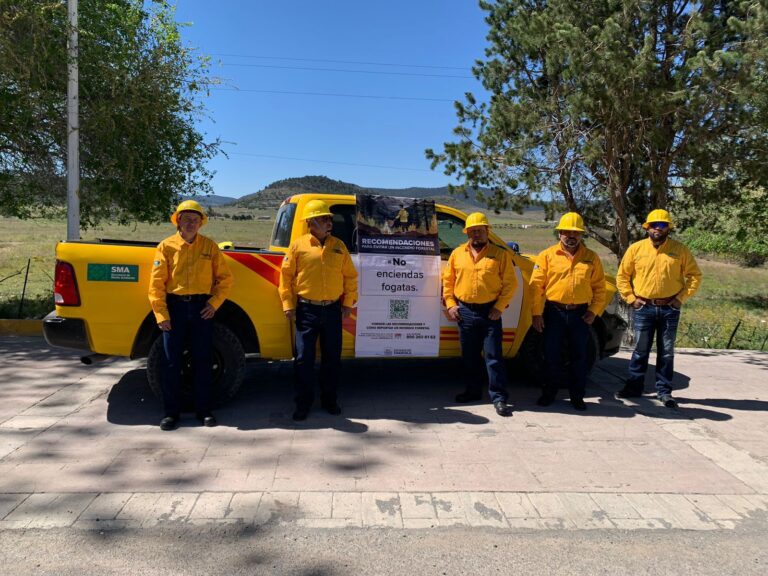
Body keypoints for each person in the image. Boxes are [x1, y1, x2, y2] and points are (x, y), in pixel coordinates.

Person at [148, 200, 233, 431]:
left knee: (203, 360)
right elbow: (156, 284)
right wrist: (161, 314)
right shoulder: (165, 247)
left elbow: (225, 280)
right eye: (186, 218)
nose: (191, 223)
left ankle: (204, 411)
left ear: (201, 223)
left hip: (200, 309)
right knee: (171, 362)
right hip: (173, 308)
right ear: (177, 220)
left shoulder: (210, 247)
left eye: (196, 219)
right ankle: (171, 414)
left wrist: (214, 304)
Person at [279, 199, 358, 421]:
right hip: (306, 311)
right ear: (311, 222)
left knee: (332, 358)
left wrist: (347, 302)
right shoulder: (297, 246)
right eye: (324, 219)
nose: (329, 222)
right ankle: (303, 404)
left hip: (332, 310)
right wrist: (288, 304)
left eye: (329, 219)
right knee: (304, 359)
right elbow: (285, 278)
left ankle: (329, 401)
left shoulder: (339, 246)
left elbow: (350, 276)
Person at [615, 209, 702, 408]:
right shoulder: (636, 249)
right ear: (647, 227)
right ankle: (634, 388)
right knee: (640, 350)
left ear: (668, 229)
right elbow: (622, 276)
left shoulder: (679, 250)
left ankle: (664, 392)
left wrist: (681, 298)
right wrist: (630, 298)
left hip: (669, 309)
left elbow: (695, 276)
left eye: (662, 225)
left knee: (666, 352)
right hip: (644, 307)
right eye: (653, 225)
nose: (657, 228)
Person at [442, 212, 517, 417]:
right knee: (470, 357)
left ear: (487, 231)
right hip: (464, 312)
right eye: (472, 231)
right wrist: (450, 305)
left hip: (489, 313)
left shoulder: (500, 255)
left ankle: (499, 398)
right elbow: (448, 282)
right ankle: (473, 392)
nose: (476, 234)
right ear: (467, 233)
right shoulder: (457, 254)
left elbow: (510, 284)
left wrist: (499, 307)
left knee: (493, 357)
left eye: (480, 230)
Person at [529, 212, 606, 411]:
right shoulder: (547, 256)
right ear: (559, 233)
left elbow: (600, 287)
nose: (571, 236)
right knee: (551, 355)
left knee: (579, 357)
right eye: (567, 232)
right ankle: (549, 393)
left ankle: (577, 397)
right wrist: (536, 313)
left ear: (581, 235)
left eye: (576, 232)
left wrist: (593, 311)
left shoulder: (591, 258)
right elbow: (536, 287)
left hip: (580, 314)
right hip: (553, 313)